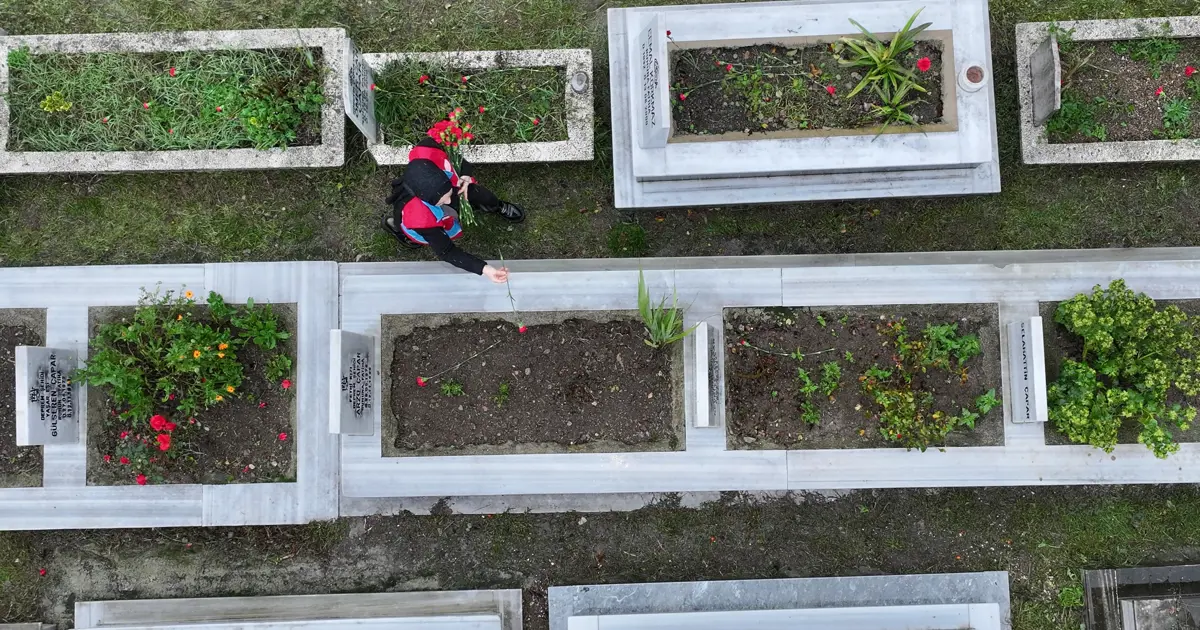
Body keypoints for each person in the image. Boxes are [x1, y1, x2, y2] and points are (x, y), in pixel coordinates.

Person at [382, 137, 525, 283]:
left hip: (443, 191)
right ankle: (399, 230)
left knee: (475, 193)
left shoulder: (427, 153)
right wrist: (485, 269)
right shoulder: (420, 218)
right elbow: (447, 251)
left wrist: (464, 175)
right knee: (420, 232)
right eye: (443, 201)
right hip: (419, 221)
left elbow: (447, 150)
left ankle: (497, 206)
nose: (449, 201)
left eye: (449, 195)